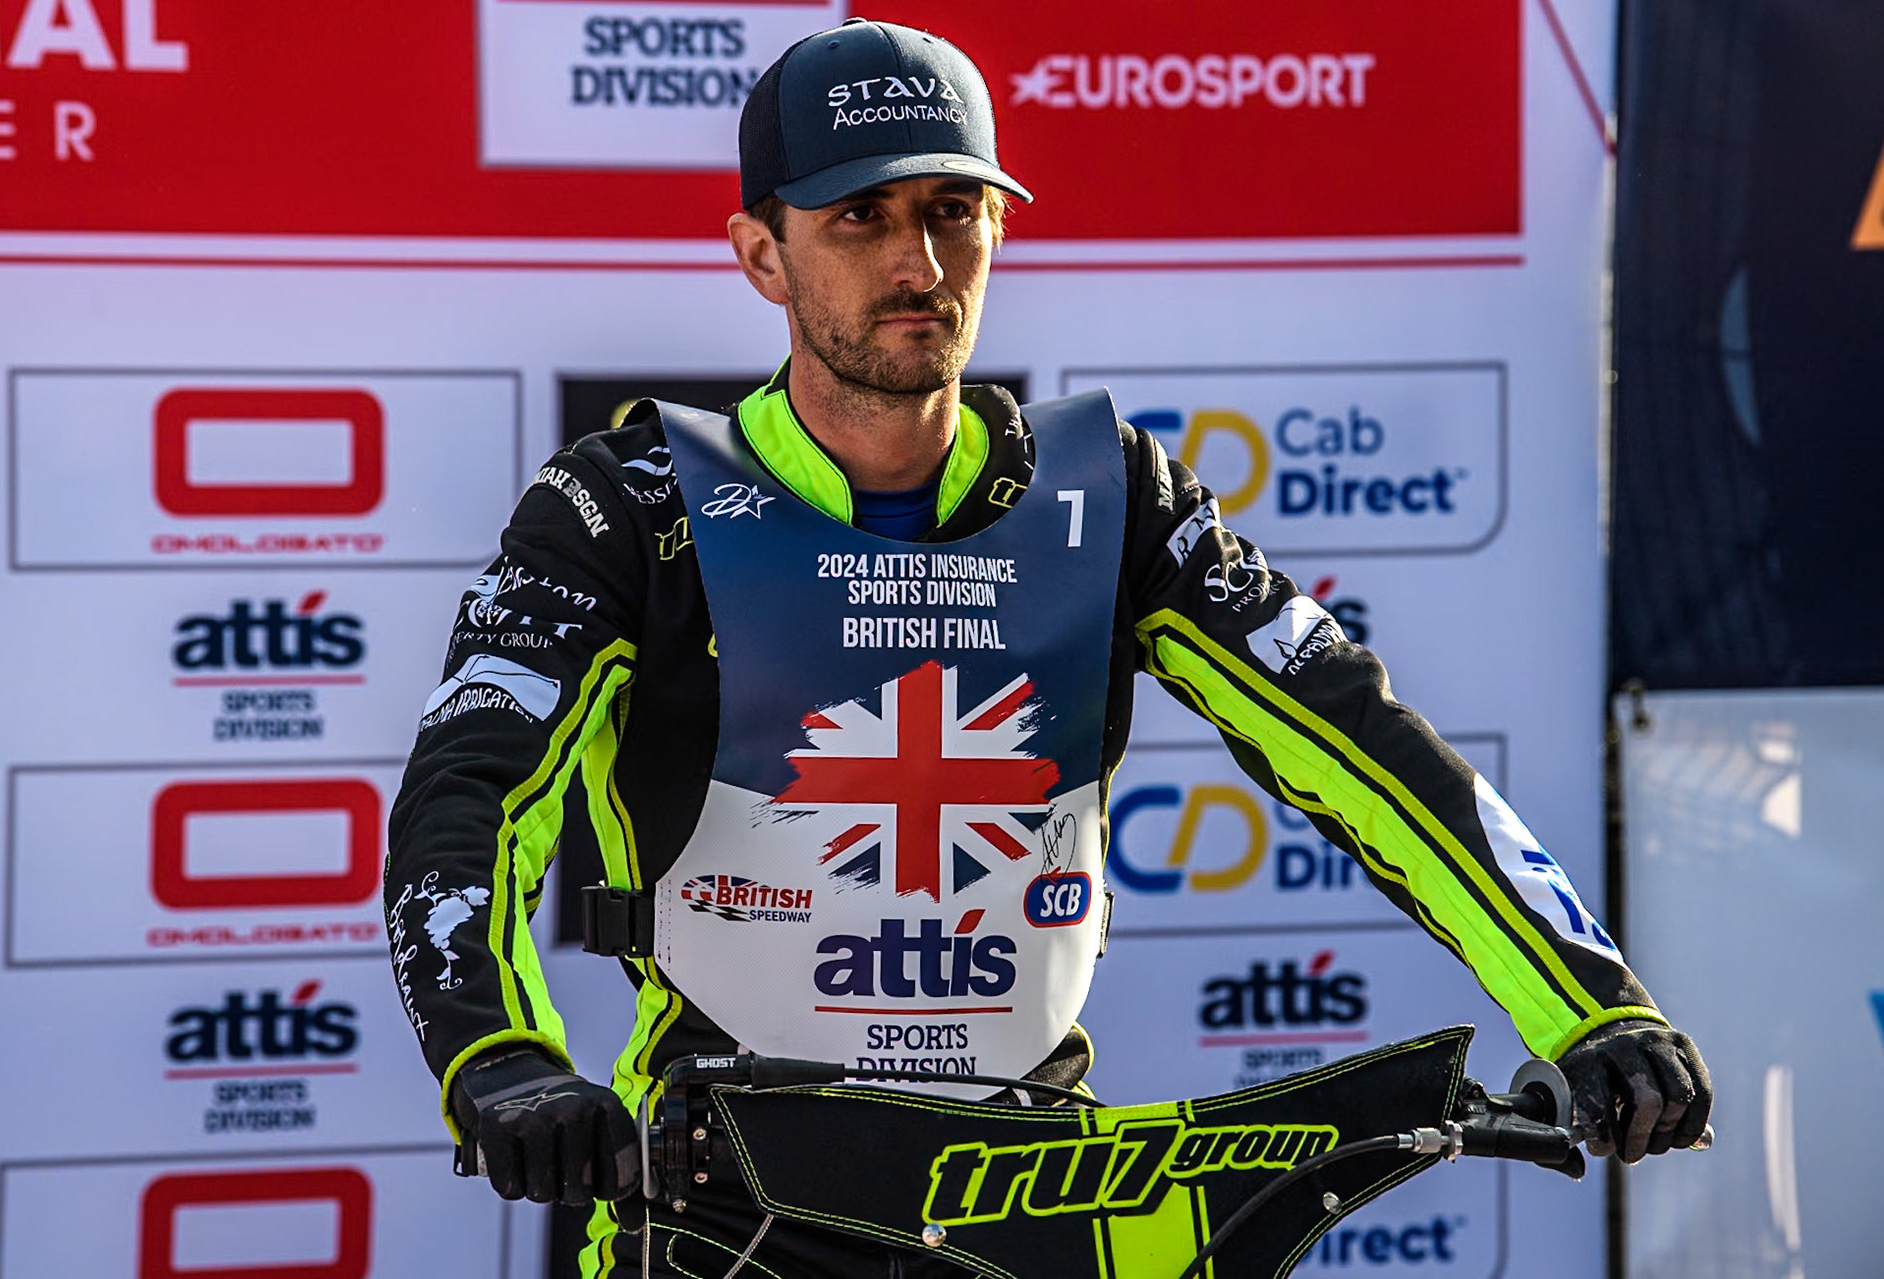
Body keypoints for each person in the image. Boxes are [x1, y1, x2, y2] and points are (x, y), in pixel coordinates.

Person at [384, 17, 1712, 1278]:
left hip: (1035, 1198)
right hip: (727, 1204)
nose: (918, 264)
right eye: (861, 217)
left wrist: (1588, 1005)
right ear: (759, 254)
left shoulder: (1112, 493)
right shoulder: (633, 504)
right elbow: (469, 798)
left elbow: (1361, 742)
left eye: (952, 212)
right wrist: (497, 1051)